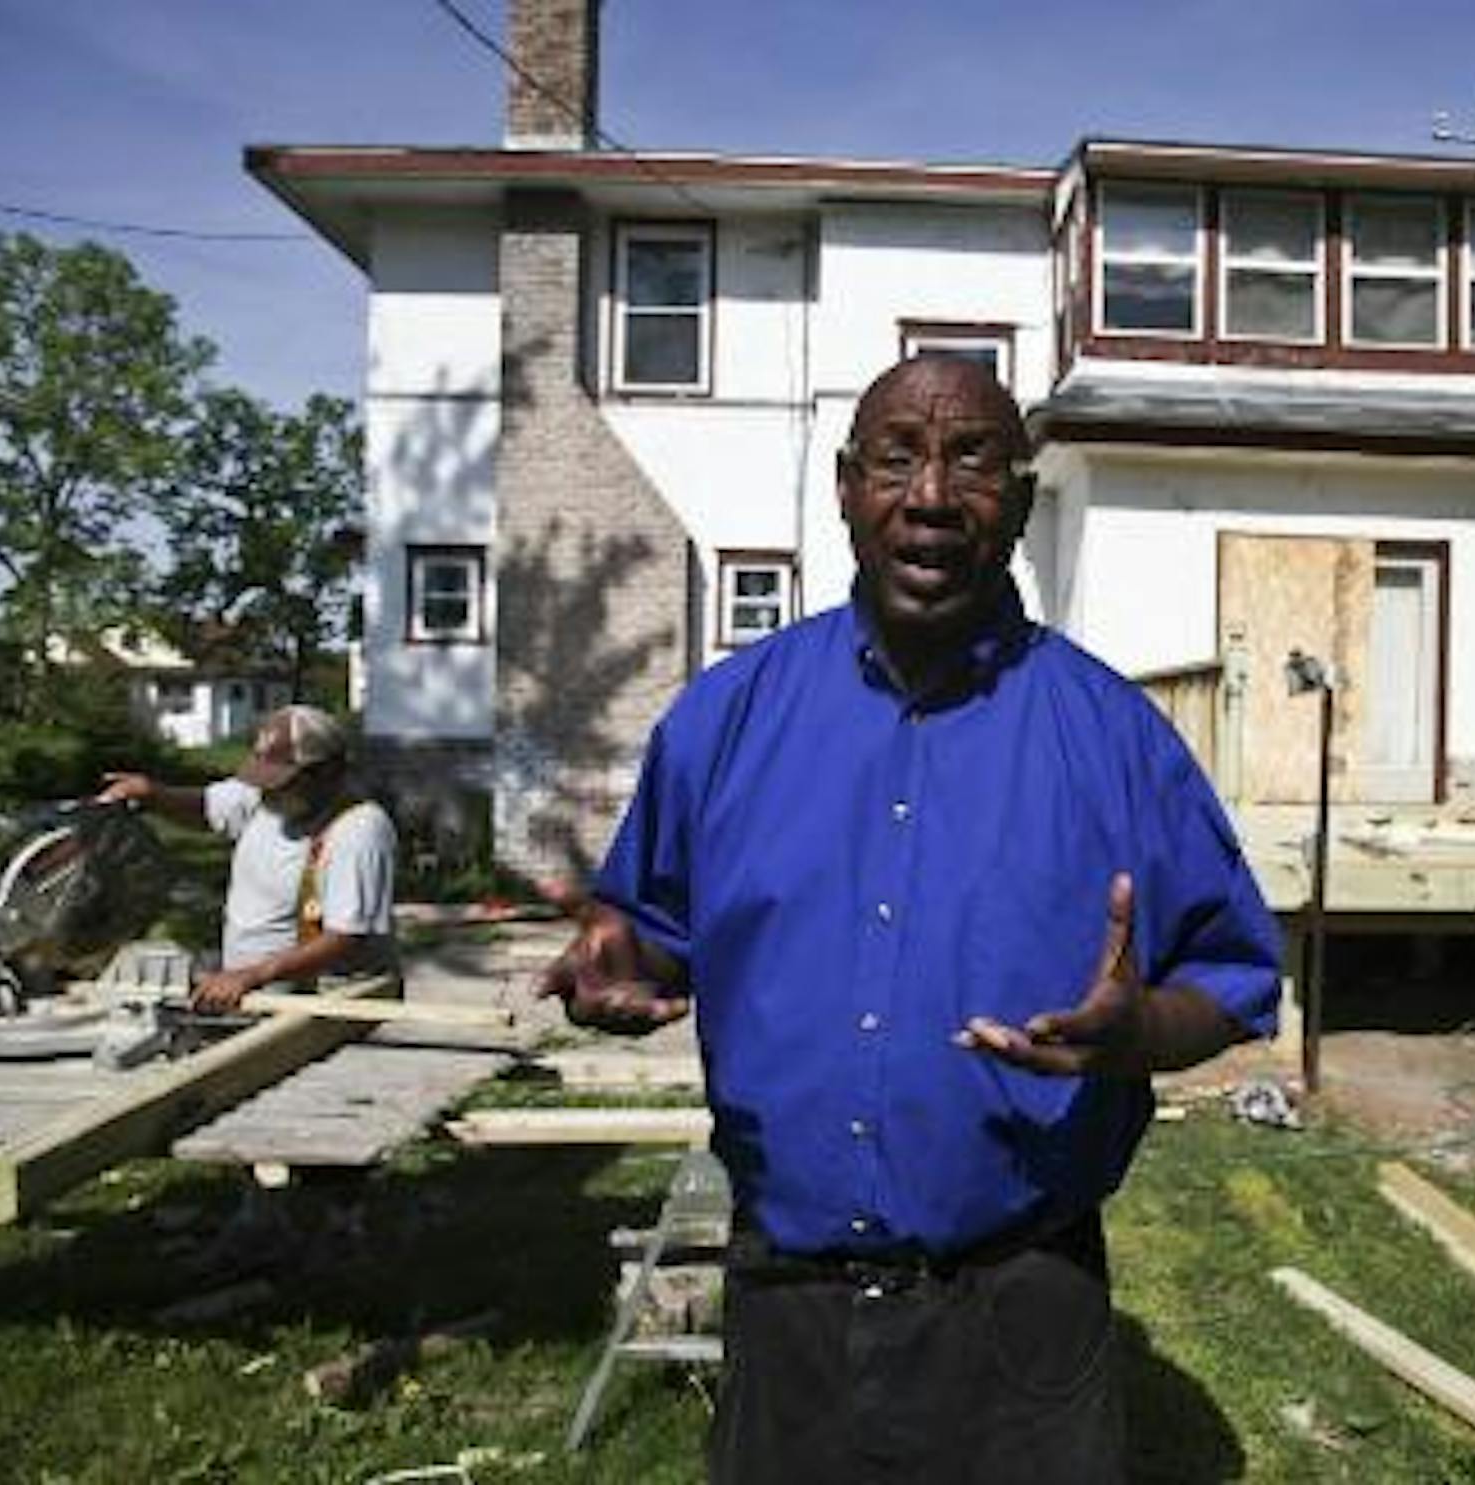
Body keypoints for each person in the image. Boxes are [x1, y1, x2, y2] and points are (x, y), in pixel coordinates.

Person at [541, 356, 1280, 1483]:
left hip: (1023, 1308)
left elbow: (1229, 980)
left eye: (974, 461)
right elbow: (646, 925)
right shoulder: (724, 722)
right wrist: (615, 960)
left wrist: (1140, 1035)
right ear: (846, 488)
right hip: (787, 1308)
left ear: (1023, 504)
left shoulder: (1117, 740)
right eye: (897, 458)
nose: (931, 495)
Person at [99, 704, 398, 1010]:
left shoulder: (359, 828)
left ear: (326, 772)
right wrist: (153, 794)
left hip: (323, 1003)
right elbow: (208, 807)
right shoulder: (265, 798)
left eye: (280, 781)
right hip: (253, 990)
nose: (266, 791)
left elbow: (345, 937)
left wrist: (252, 975)